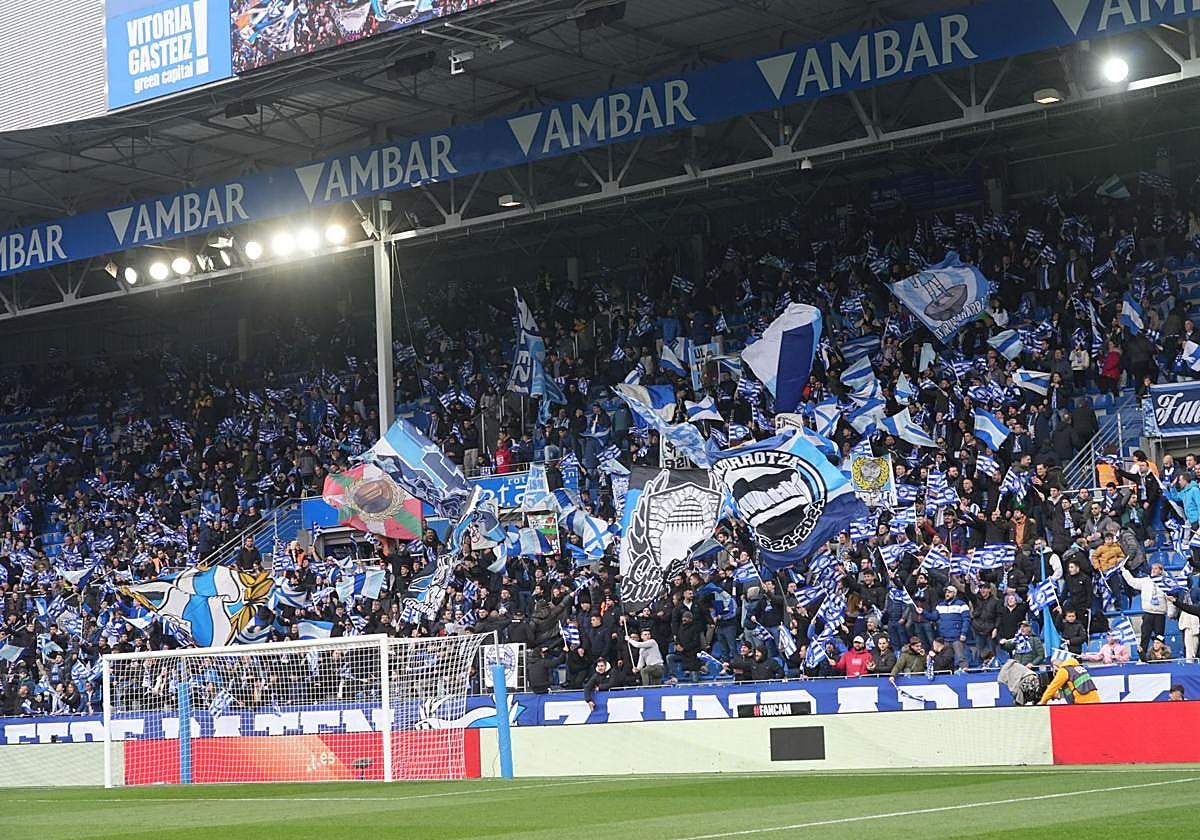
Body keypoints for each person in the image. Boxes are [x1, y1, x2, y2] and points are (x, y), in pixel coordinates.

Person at [1122, 561, 1169, 651]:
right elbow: (1132, 582)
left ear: (1161, 570)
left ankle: (1162, 656)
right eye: (1152, 568)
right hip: (1148, 613)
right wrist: (1124, 571)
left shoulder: (1165, 582)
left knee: (1160, 637)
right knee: (1145, 636)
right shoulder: (1145, 581)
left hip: (1160, 614)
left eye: (1156, 568)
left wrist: (1170, 612)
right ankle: (1142, 657)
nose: (1153, 570)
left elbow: (1170, 597)